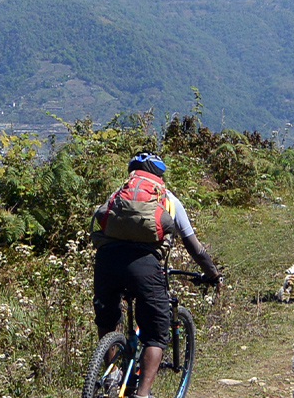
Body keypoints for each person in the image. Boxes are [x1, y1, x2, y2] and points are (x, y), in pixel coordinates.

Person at [93, 152, 220, 398]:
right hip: (144, 266)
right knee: (156, 334)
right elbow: (195, 248)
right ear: (159, 175)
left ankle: (111, 376)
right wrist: (212, 274)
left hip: (107, 261)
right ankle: (142, 394)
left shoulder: (118, 195)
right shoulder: (168, 199)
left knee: (107, 321)